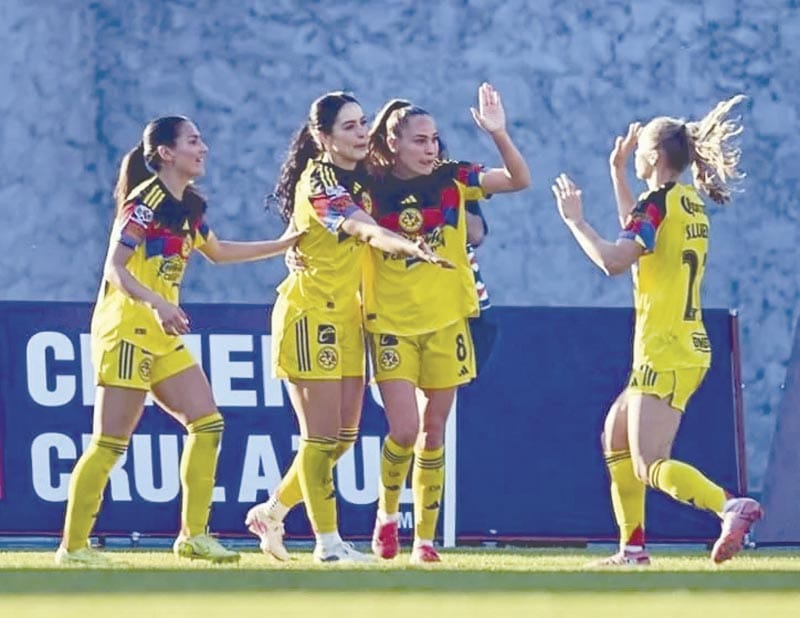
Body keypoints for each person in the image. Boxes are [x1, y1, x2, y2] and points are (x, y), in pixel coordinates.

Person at [55, 115, 303, 567]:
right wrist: (157, 303)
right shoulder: (144, 202)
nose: (203, 148)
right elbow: (114, 267)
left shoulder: (188, 207)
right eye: (193, 141)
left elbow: (218, 252)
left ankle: (194, 536)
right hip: (127, 331)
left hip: (160, 335)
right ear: (166, 153)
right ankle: (72, 548)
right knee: (110, 443)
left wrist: (284, 244)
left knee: (208, 423)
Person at [551, 95, 762, 566]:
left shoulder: (657, 204)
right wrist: (617, 174)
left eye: (638, 151)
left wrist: (576, 221)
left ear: (653, 155)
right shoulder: (686, 202)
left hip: (665, 347)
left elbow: (614, 260)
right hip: (680, 343)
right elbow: (640, 233)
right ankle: (632, 549)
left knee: (649, 464)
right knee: (616, 437)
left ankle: (728, 506)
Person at [244, 92, 450, 564]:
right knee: (319, 439)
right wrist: (407, 246)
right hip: (310, 315)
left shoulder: (364, 175)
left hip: (349, 317)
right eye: (350, 127)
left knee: (342, 437)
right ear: (323, 137)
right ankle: (328, 545)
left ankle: (272, 513)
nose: (361, 133)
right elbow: (363, 228)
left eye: (363, 123)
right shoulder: (320, 180)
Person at [365, 83, 530, 563]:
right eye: (420, 140)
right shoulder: (370, 187)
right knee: (404, 430)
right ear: (393, 142)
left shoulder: (453, 178)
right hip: (391, 322)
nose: (430, 148)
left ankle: (424, 540)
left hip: (447, 322)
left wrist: (498, 133)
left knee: (433, 431)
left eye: (434, 139)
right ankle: (386, 515)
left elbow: (518, 179)